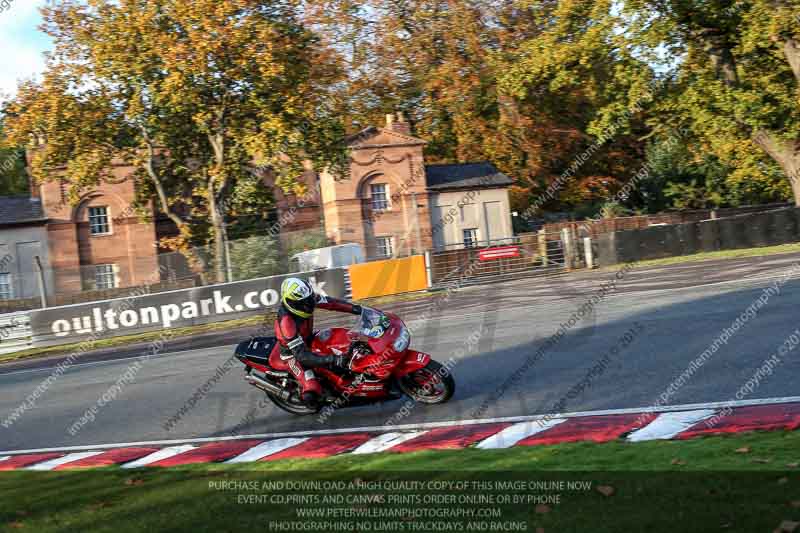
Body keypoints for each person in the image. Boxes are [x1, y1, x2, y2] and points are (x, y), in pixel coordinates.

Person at [270, 277, 362, 405]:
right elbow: (302, 356)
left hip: (308, 338)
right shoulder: (287, 323)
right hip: (293, 355)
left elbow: (331, 303)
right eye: (304, 303)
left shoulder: (306, 299)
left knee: (343, 340)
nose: (309, 305)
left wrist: (357, 309)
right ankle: (308, 399)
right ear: (291, 302)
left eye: (309, 300)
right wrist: (332, 359)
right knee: (312, 390)